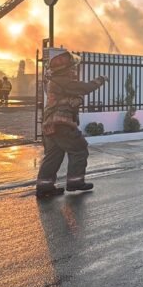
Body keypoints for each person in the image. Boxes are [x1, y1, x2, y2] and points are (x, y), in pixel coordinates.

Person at [36, 51, 107, 198]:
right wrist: (100, 80)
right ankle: (75, 182)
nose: (73, 70)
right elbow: (85, 88)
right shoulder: (63, 81)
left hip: (51, 124)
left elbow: (71, 96)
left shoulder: (54, 80)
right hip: (62, 124)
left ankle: (44, 187)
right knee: (79, 149)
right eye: (71, 67)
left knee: (53, 155)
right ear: (64, 68)